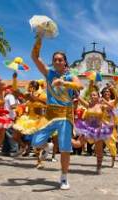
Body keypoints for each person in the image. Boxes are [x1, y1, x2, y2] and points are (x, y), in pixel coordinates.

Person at [31, 35, 83, 190]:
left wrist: (63, 82)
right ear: (53, 62)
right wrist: (39, 39)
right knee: (35, 142)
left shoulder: (70, 75)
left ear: (65, 62)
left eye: (61, 59)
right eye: (55, 59)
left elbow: (79, 86)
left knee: (65, 148)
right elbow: (34, 57)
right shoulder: (49, 73)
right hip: (50, 114)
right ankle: (46, 147)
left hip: (65, 115)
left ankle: (64, 177)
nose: (58, 61)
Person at [73, 85, 114, 174]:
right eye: (91, 95)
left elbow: (111, 106)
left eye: (94, 95)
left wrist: (105, 102)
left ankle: (98, 167)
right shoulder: (88, 105)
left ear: (98, 96)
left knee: (98, 150)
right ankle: (64, 136)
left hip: (98, 130)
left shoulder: (101, 106)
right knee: (77, 144)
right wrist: (74, 87)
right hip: (87, 129)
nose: (92, 96)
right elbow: (78, 97)